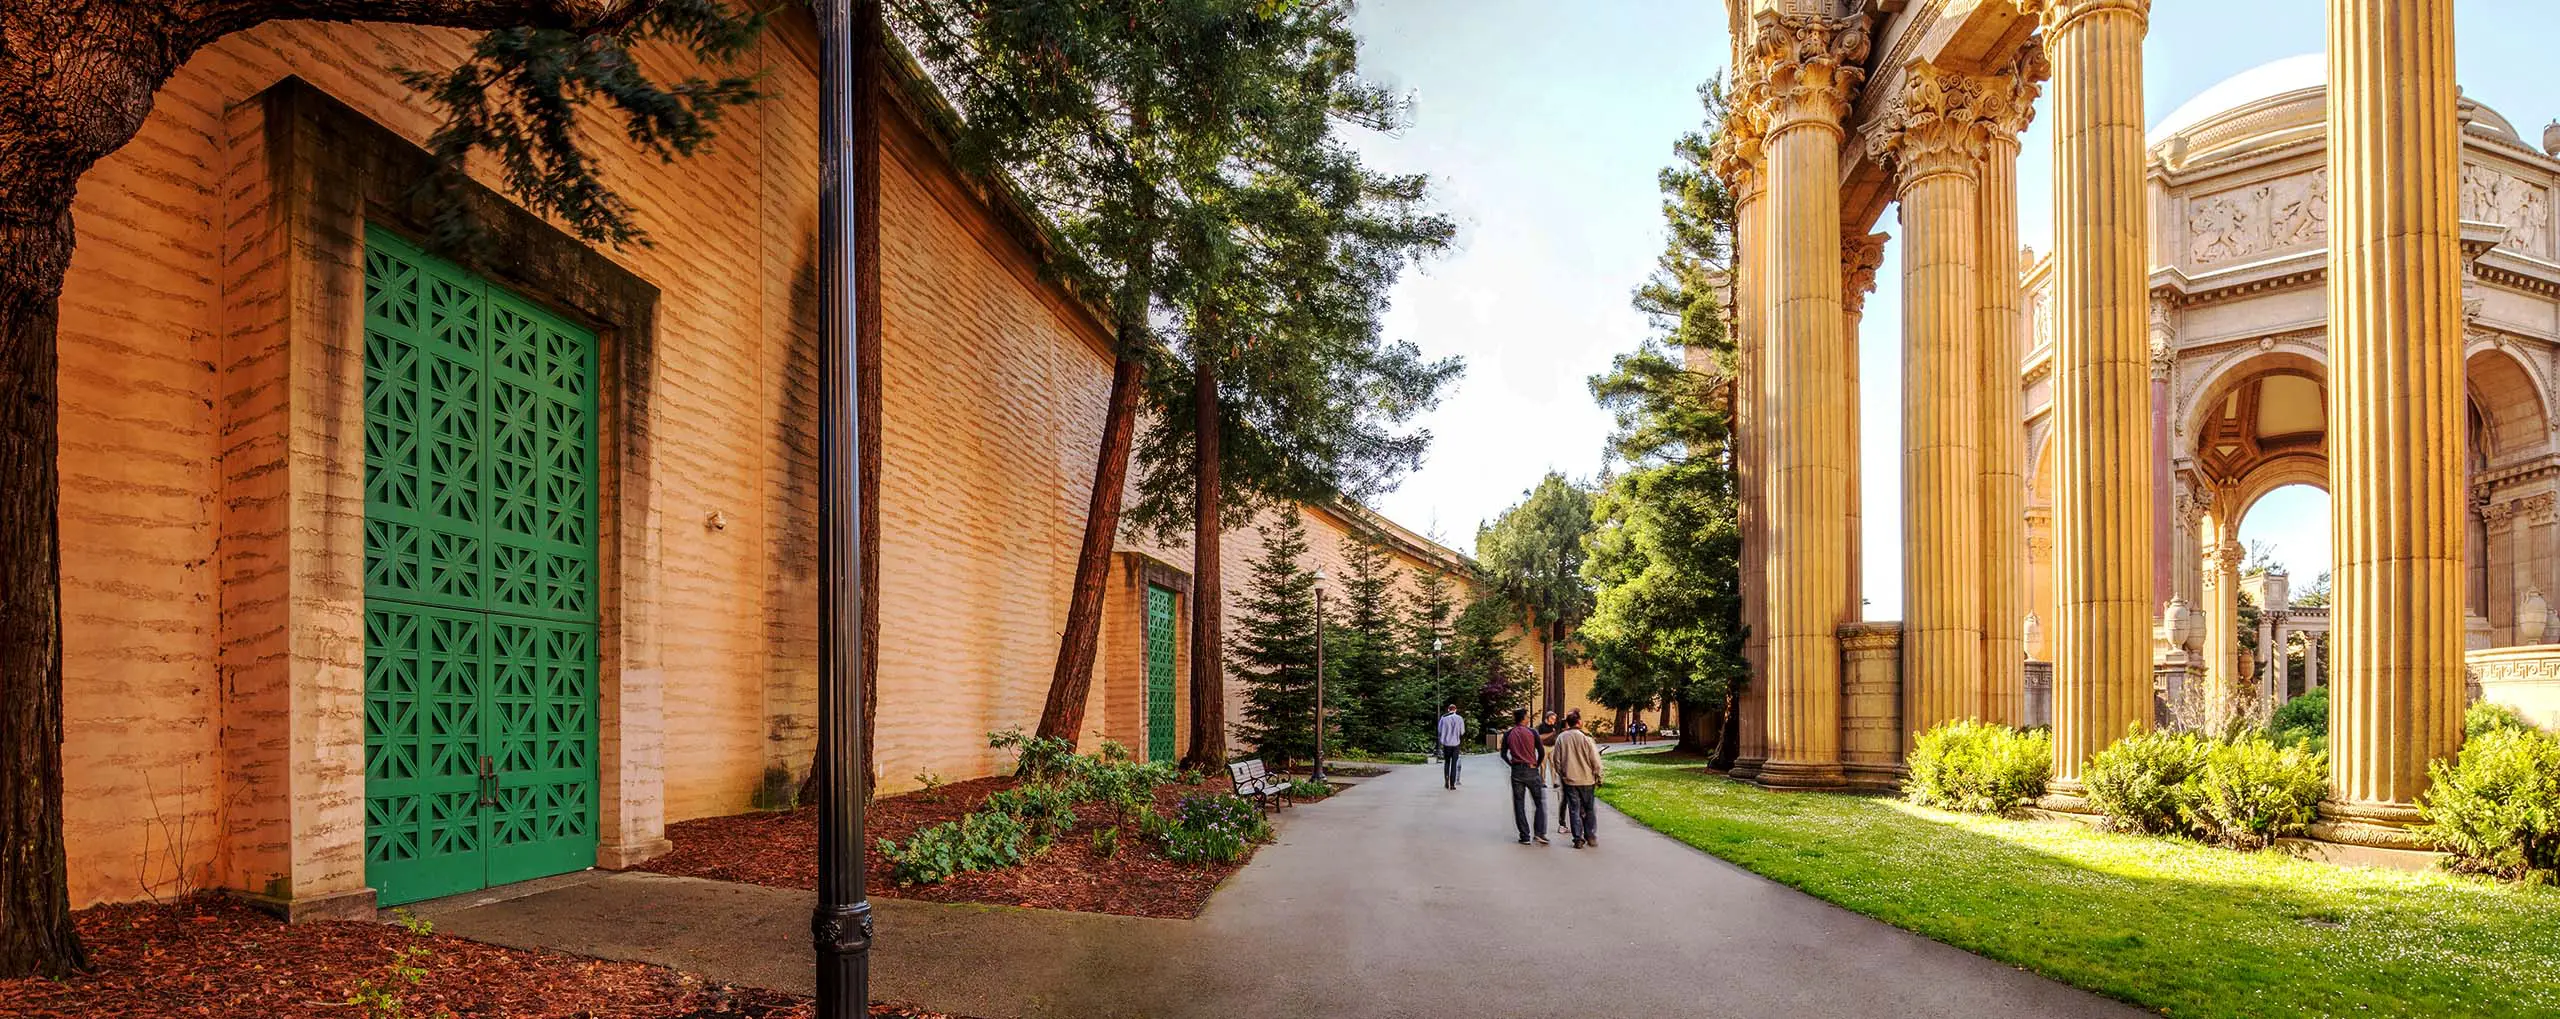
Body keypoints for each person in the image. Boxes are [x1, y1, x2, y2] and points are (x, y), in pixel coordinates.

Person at [1553, 710, 1604, 848]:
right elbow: (1595, 760)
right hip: (1587, 779)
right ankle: (1591, 835)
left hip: (1570, 779)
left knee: (1574, 809)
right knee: (1589, 809)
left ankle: (1577, 838)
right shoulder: (1586, 738)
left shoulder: (1561, 738)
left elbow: (1556, 760)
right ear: (1579, 722)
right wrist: (1599, 776)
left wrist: (1562, 774)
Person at [1500, 708, 1548, 845]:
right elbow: (1541, 751)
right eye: (1527, 716)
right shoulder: (1532, 732)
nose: (1528, 719)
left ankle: (1524, 835)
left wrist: (1512, 764)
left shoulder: (1509, 733)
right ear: (1524, 719)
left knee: (1519, 803)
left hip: (1517, 771)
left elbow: (1503, 754)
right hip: (1531, 770)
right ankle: (1539, 833)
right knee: (1539, 802)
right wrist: (1536, 764)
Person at [1436, 703, 1466, 790]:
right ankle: (1452, 784)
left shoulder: (1443, 718)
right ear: (1455, 710)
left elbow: (1439, 730)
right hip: (1456, 744)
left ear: (1448, 710)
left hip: (1446, 744)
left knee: (1447, 762)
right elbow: (1462, 732)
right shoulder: (1460, 718)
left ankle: (1446, 781)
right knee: (1454, 764)